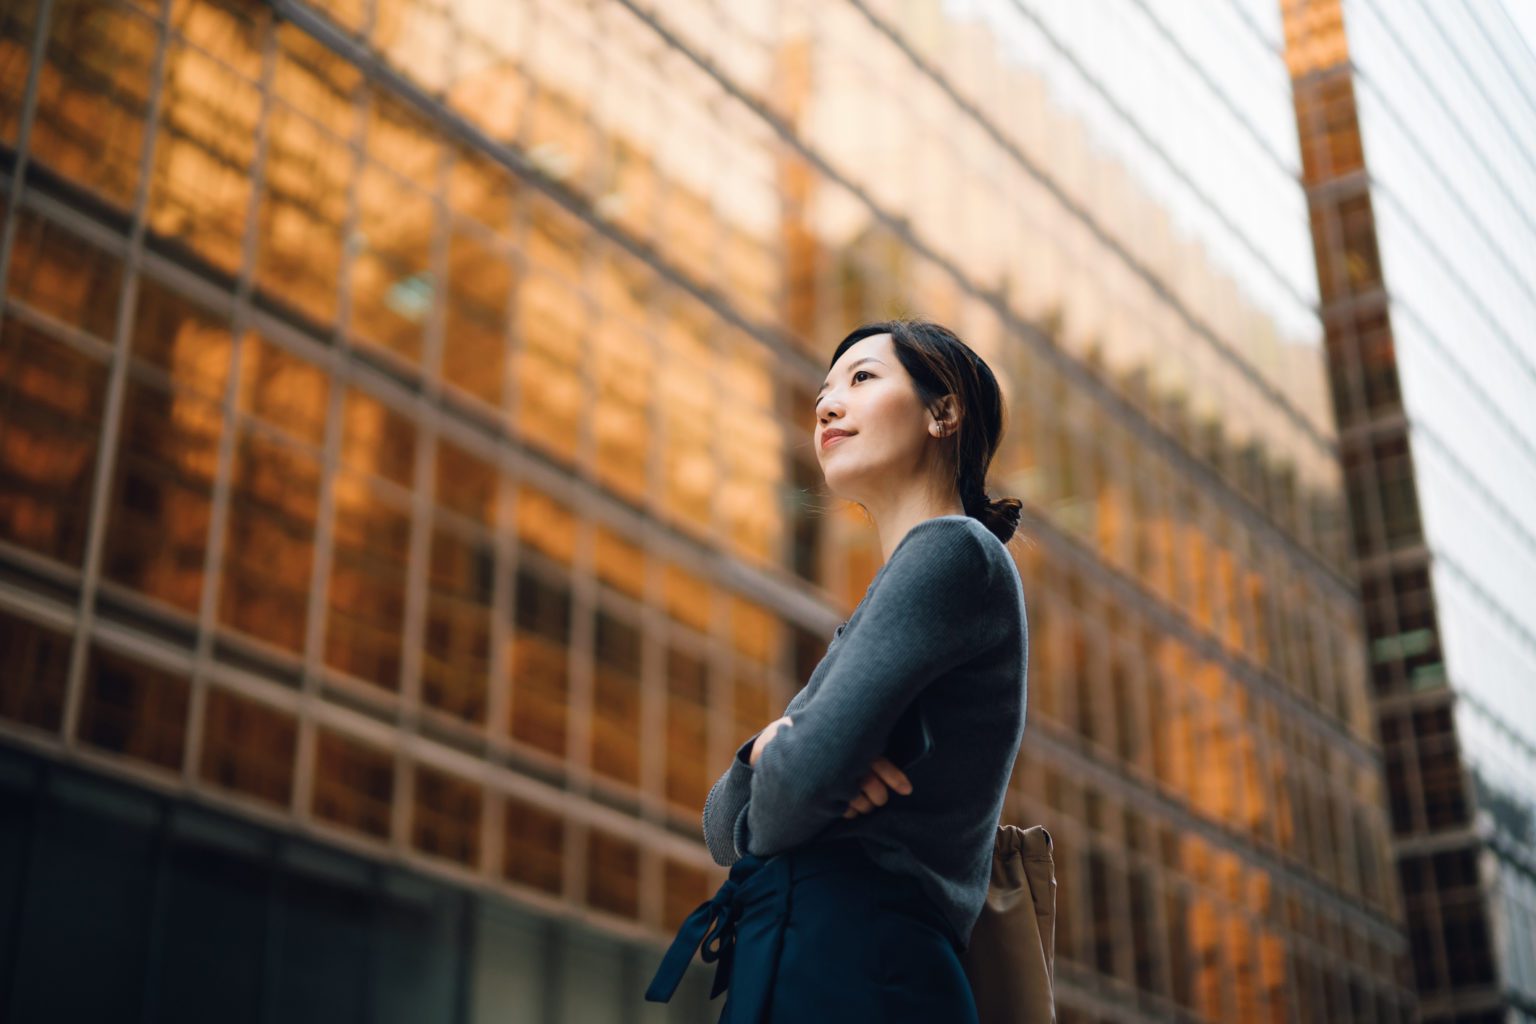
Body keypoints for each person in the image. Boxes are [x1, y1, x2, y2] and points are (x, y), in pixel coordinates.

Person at [644, 318, 1029, 1022]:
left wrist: (798, 763)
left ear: (944, 412)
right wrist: (768, 752)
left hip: (857, 960)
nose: (826, 404)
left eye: (861, 379)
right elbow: (722, 824)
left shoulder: (953, 552)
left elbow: (795, 790)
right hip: (826, 952)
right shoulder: (890, 596)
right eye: (824, 390)